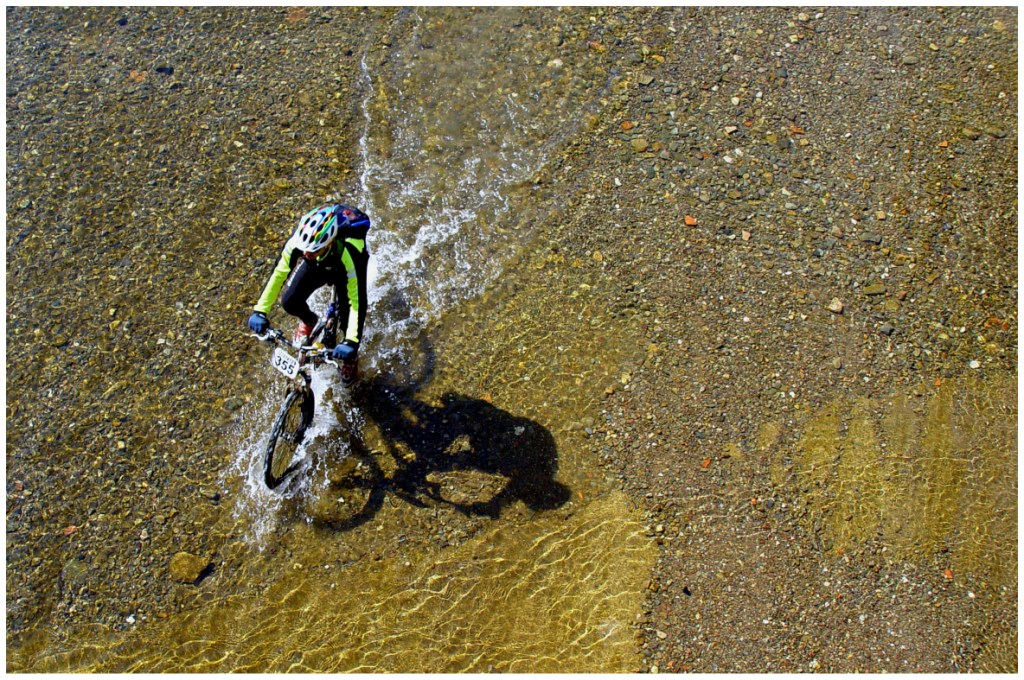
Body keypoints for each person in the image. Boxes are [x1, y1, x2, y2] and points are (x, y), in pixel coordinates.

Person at [247, 203, 370, 385]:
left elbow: (356, 302)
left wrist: (351, 341)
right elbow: (278, 274)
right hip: (320, 262)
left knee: (347, 320)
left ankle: (350, 360)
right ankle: (309, 321)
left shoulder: (349, 255)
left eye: (312, 250)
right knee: (290, 301)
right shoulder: (301, 244)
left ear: (328, 243)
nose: (305, 253)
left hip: (344, 267)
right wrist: (260, 310)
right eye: (305, 249)